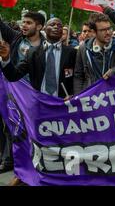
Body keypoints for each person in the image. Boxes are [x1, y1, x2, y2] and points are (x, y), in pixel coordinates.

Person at [0, 11, 45, 173]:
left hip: (32, 94)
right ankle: (10, 160)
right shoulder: (16, 37)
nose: (23, 25)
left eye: (28, 23)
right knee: (10, 126)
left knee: (31, 130)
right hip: (12, 89)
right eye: (23, 22)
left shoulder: (44, 47)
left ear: (39, 26)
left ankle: (33, 165)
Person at [0, 18, 77, 98]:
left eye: (59, 25)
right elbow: (13, 76)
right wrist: (6, 59)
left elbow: (78, 77)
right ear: (44, 29)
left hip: (63, 103)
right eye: (52, 24)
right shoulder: (32, 53)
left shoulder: (72, 52)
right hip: (39, 103)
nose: (56, 27)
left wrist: (74, 95)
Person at [74, 13, 115, 94]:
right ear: (94, 32)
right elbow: (78, 76)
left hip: (114, 97)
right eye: (103, 30)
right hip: (91, 97)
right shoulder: (83, 49)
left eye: (109, 28)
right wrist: (78, 97)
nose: (108, 32)